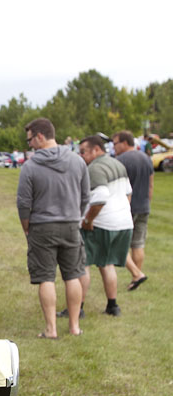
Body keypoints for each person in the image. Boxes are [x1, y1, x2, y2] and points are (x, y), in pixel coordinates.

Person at [17, 117, 89, 338]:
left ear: (40, 136)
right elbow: (86, 196)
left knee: (46, 277)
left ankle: (51, 329)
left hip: (41, 226)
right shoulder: (78, 161)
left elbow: (23, 203)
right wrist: (75, 217)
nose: (29, 144)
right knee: (73, 275)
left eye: (30, 140)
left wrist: (26, 227)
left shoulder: (30, 166)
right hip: (70, 225)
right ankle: (75, 326)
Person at [78, 135, 134, 317]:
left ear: (96, 149)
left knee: (83, 264)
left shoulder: (95, 168)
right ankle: (112, 306)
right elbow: (128, 193)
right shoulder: (117, 164)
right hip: (123, 223)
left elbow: (100, 197)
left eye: (83, 152)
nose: (82, 156)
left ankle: (77, 308)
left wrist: (87, 220)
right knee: (107, 263)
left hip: (101, 224)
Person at [112, 130, 153, 291]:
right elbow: (151, 184)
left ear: (124, 142)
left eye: (115, 143)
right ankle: (135, 278)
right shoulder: (146, 158)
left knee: (116, 243)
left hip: (126, 207)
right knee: (138, 244)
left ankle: (136, 274)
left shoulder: (119, 161)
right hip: (143, 206)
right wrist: (147, 202)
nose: (113, 147)